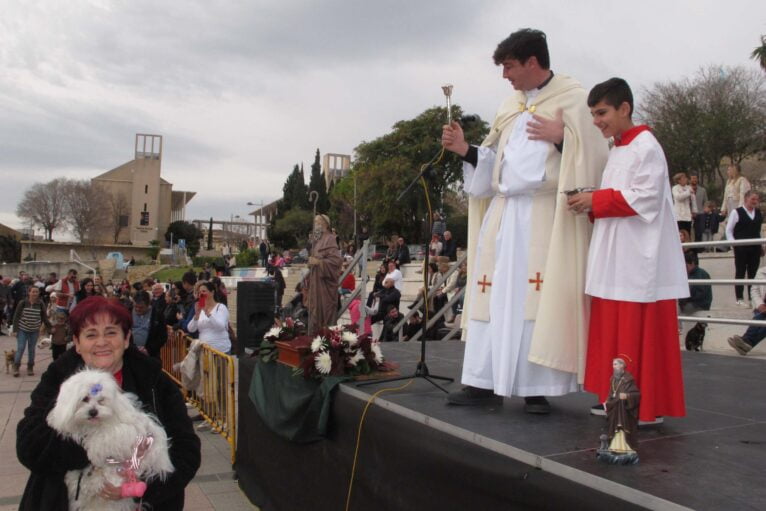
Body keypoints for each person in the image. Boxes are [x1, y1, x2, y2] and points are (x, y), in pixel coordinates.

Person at [441, 28, 608, 412]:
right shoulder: (509, 106)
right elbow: (495, 163)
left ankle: (537, 386)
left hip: (545, 214)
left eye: (510, 66)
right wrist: (466, 149)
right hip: (504, 214)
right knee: (494, 296)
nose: (505, 76)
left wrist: (563, 137)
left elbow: (596, 160)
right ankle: (484, 381)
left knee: (536, 297)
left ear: (533, 62)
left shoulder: (575, 100)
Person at [567, 77, 687, 423]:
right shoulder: (618, 147)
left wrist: (596, 199)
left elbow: (645, 198)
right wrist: (588, 203)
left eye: (601, 112)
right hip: (615, 255)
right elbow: (619, 195)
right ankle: (616, 397)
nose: (596, 121)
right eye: (592, 114)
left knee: (637, 331)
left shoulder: (646, 146)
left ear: (625, 108)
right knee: (613, 328)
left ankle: (642, 407)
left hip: (639, 258)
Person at [16, 296, 200, 510]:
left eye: (111, 333)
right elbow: (29, 446)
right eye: (91, 335)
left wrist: (141, 489)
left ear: (126, 338)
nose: (101, 342)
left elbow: (187, 451)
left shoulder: (154, 380)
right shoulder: (58, 378)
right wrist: (98, 445)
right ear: (76, 343)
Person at [307, 215, 343, 335]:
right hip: (315, 284)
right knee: (315, 314)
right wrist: (311, 262)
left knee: (325, 313)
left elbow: (336, 262)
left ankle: (326, 339)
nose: (315, 225)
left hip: (325, 287)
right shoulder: (317, 241)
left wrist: (319, 262)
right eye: (314, 222)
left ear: (325, 224)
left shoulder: (330, 239)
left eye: (317, 222)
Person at [725, 190, 763, 306]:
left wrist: (761, 245)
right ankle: (739, 298)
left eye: (756, 199)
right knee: (740, 272)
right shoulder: (736, 212)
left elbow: (757, 230)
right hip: (741, 247)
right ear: (746, 199)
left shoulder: (758, 212)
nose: (755, 202)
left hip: (755, 247)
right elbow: (729, 230)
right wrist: (734, 244)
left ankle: (752, 298)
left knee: (753, 272)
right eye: (753, 199)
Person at [11, 286, 51, 377]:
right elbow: (16, 316)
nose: (35, 294)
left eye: (36, 292)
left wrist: (50, 327)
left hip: (34, 330)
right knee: (21, 348)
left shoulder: (40, 303)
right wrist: (15, 330)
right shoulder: (23, 303)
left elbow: (44, 317)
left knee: (31, 350)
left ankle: (30, 367)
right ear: (29, 293)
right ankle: (16, 367)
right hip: (22, 329)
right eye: (33, 292)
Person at [728, 264, 766, 356]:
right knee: (761, 315)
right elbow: (754, 290)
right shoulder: (761, 271)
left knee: (760, 317)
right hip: (762, 304)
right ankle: (746, 343)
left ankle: (747, 341)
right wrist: (760, 304)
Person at [187, 281, 231, 353]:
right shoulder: (200, 309)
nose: (201, 294)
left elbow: (221, 326)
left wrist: (208, 313)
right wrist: (196, 316)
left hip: (220, 351)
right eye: (199, 292)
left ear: (212, 292)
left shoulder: (221, 307)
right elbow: (190, 329)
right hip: (204, 351)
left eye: (204, 291)